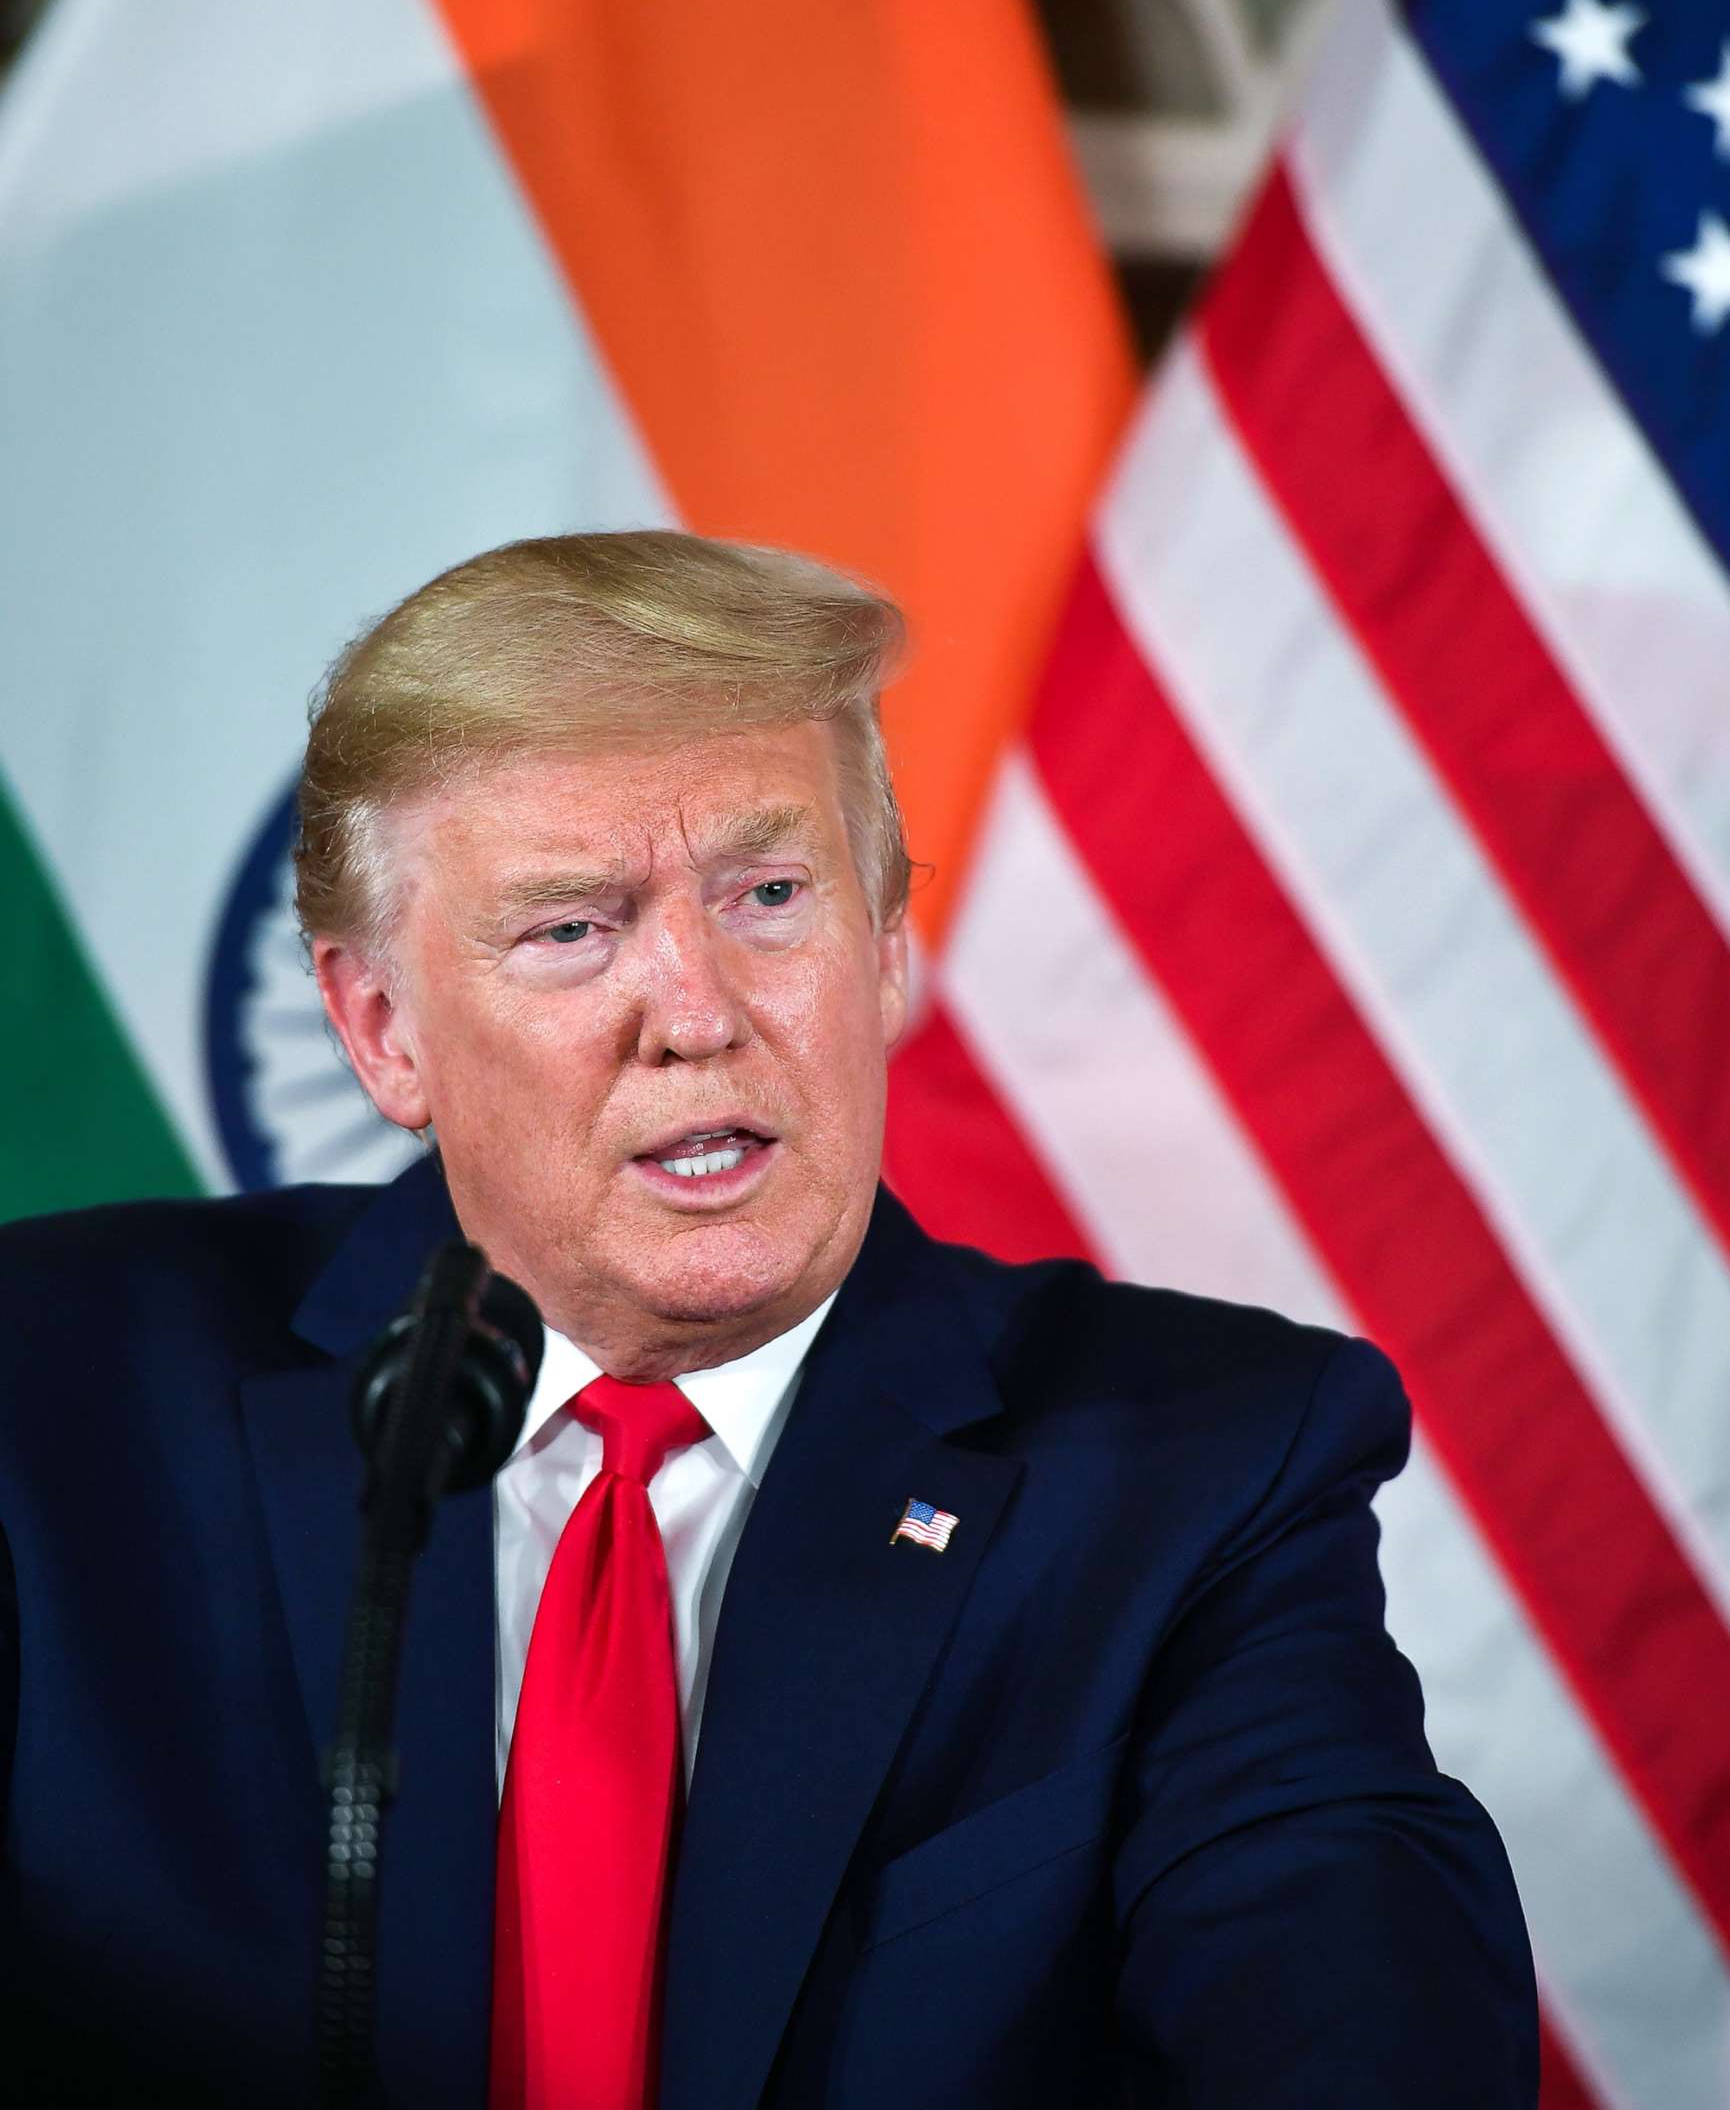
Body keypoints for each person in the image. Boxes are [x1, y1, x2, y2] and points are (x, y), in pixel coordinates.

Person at [0, 531, 1536, 2108]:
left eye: (770, 894)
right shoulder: (49, 1410)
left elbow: (1357, 2036)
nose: (699, 1010)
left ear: (882, 950)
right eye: (570, 929)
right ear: (384, 1032)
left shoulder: (1198, 1473)